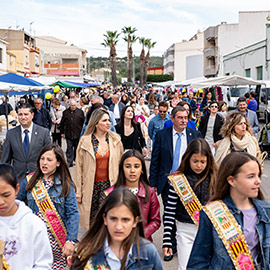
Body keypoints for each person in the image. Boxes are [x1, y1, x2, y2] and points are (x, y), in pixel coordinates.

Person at [187, 152, 270, 270]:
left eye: (258, 176)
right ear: (231, 180)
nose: (258, 181)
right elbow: (198, 261)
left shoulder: (266, 212)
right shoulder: (211, 213)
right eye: (251, 176)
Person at [150, 106, 202, 261]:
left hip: (190, 184)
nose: (183, 120)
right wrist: (153, 183)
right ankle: (170, 246)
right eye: (180, 117)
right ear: (172, 119)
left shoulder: (195, 135)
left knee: (190, 216)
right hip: (168, 183)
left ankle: (190, 245)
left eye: (185, 118)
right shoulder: (162, 135)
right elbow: (155, 161)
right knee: (169, 214)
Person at [17, 144, 80, 270]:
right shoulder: (29, 181)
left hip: (56, 244)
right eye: (42, 158)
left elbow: (73, 213)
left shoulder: (65, 185)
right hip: (32, 241)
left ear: (58, 163)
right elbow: (17, 204)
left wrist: (70, 240)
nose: (44, 163)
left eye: (49, 160)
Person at [70, 187, 163, 270]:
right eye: (113, 219)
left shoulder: (148, 252)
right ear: (105, 219)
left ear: (135, 221)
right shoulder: (85, 253)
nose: (118, 227)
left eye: (125, 220)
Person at [163, 139, 217, 270]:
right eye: (195, 161)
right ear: (187, 159)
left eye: (202, 162)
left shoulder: (215, 179)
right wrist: (167, 240)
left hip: (208, 232)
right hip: (185, 231)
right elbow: (169, 212)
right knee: (185, 267)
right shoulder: (178, 180)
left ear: (208, 160)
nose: (199, 165)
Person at [75, 108, 124, 230]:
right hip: (91, 186)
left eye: (109, 120)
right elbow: (79, 168)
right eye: (104, 120)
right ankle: (94, 246)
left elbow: (122, 164)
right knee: (92, 220)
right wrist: (78, 192)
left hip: (110, 186)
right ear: (96, 123)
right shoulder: (85, 141)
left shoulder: (115, 140)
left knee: (109, 218)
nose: (108, 123)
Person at [0, 163, 53, 269]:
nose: (1, 202)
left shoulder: (33, 224)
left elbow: (43, 263)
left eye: (6, 195)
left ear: (17, 189)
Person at [106, 150, 161, 242]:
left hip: (142, 242)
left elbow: (156, 220)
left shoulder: (150, 193)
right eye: (128, 166)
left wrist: (141, 233)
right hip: (117, 242)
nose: (132, 170)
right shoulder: (112, 192)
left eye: (136, 166)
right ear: (122, 168)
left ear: (142, 169)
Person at [1, 103, 51, 182]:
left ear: (32, 115)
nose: (23, 117)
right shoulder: (11, 134)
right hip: (18, 179)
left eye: (26, 114)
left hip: (38, 179)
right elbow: (5, 159)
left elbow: (49, 156)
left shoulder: (43, 132)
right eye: (20, 114)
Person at [60, 99, 85, 167]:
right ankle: (69, 161)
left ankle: (77, 160)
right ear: (69, 105)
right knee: (69, 148)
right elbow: (62, 122)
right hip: (69, 133)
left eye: (74, 105)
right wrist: (62, 132)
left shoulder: (80, 112)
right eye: (71, 105)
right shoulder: (66, 112)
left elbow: (83, 123)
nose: (73, 107)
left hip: (78, 133)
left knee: (77, 148)